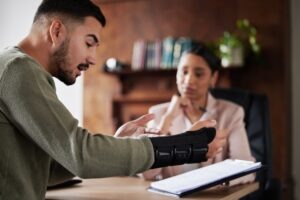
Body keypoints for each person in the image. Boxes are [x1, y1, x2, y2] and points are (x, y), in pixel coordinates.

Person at [0, 1, 227, 199]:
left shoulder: (17, 69)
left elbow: (49, 168)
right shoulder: (17, 69)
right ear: (56, 30)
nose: (93, 59)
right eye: (89, 43)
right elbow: (80, 154)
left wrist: (115, 142)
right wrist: (189, 145)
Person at [141, 43, 256, 186]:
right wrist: (168, 117)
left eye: (199, 74)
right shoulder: (158, 114)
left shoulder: (231, 113)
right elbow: (147, 173)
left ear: (213, 78)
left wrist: (217, 182)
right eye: (184, 72)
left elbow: (246, 169)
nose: (189, 80)